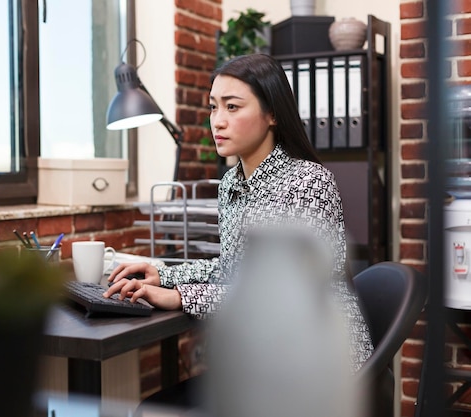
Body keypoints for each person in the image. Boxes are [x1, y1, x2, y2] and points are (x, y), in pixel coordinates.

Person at [104, 53, 374, 407]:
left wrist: (182, 296)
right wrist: (164, 275)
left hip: (315, 366)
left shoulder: (307, 181)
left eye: (232, 107)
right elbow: (235, 270)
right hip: (265, 360)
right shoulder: (232, 182)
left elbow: (279, 295)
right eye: (213, 107)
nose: (218, 121)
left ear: (272, 114)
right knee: (153, 406)